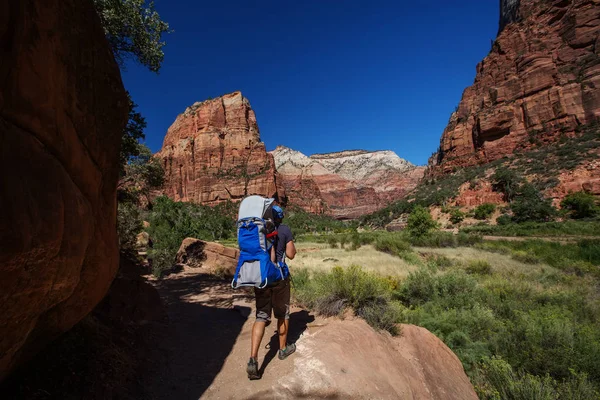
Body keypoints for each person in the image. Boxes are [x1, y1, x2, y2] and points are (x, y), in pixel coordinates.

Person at [247, 205, 296, 380]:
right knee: (283, 314)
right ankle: (282, 350)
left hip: (261, 277)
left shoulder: (258, 230)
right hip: (279, 278)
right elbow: (291, 254)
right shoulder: (284, 229)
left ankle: (253, 359)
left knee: (261, 316)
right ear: (281, 217)